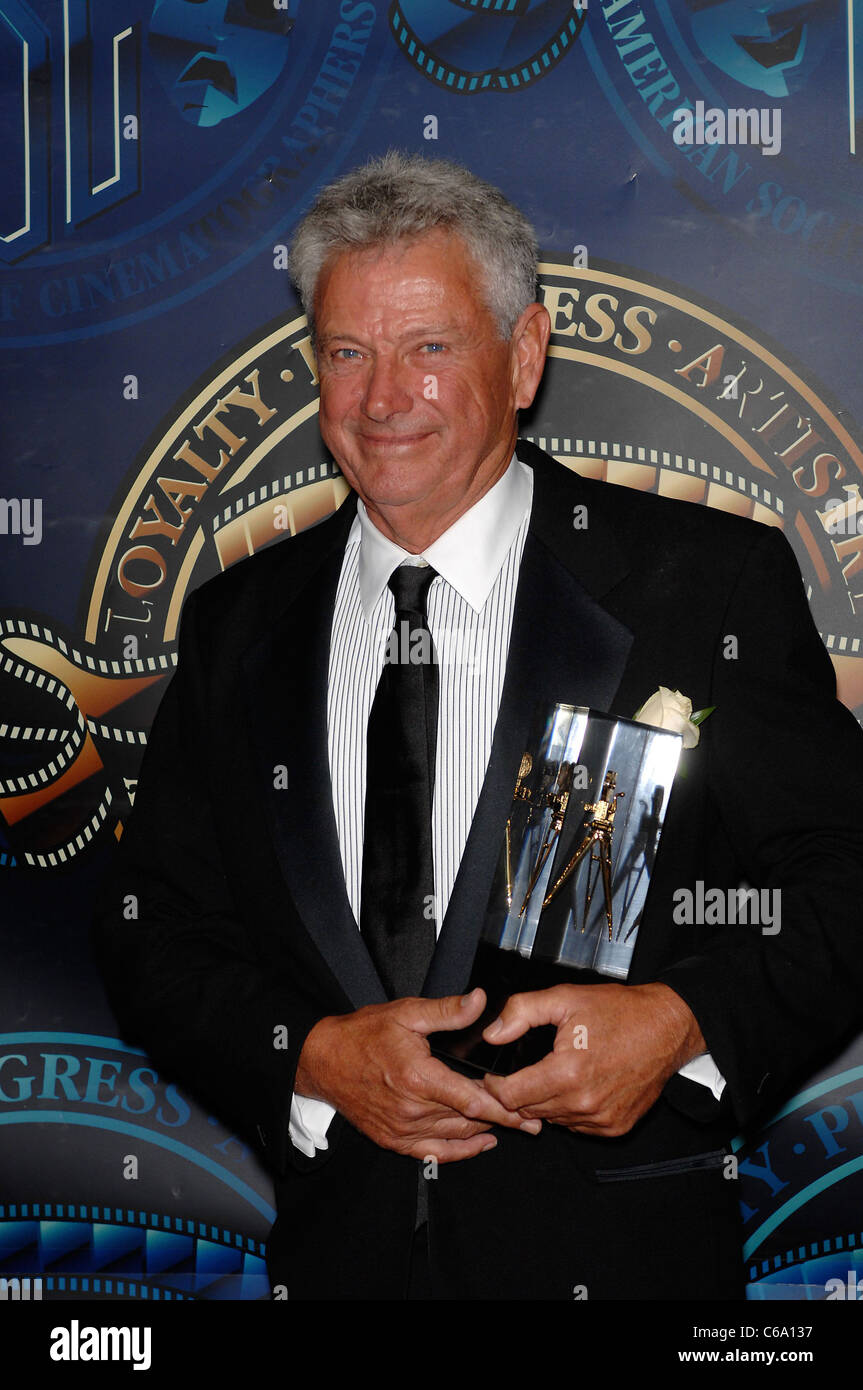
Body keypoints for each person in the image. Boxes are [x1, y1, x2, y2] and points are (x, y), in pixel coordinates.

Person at [94, 152, 863, 1301]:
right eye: (345, 352)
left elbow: (845, 876)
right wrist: (307, 1056)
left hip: (614, 1271)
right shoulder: (236, 624)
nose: (380, 397)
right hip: (340, 1267)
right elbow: (156, 927)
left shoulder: (697, 591)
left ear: (525, 355)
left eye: (429, 348)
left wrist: (682, 1018)